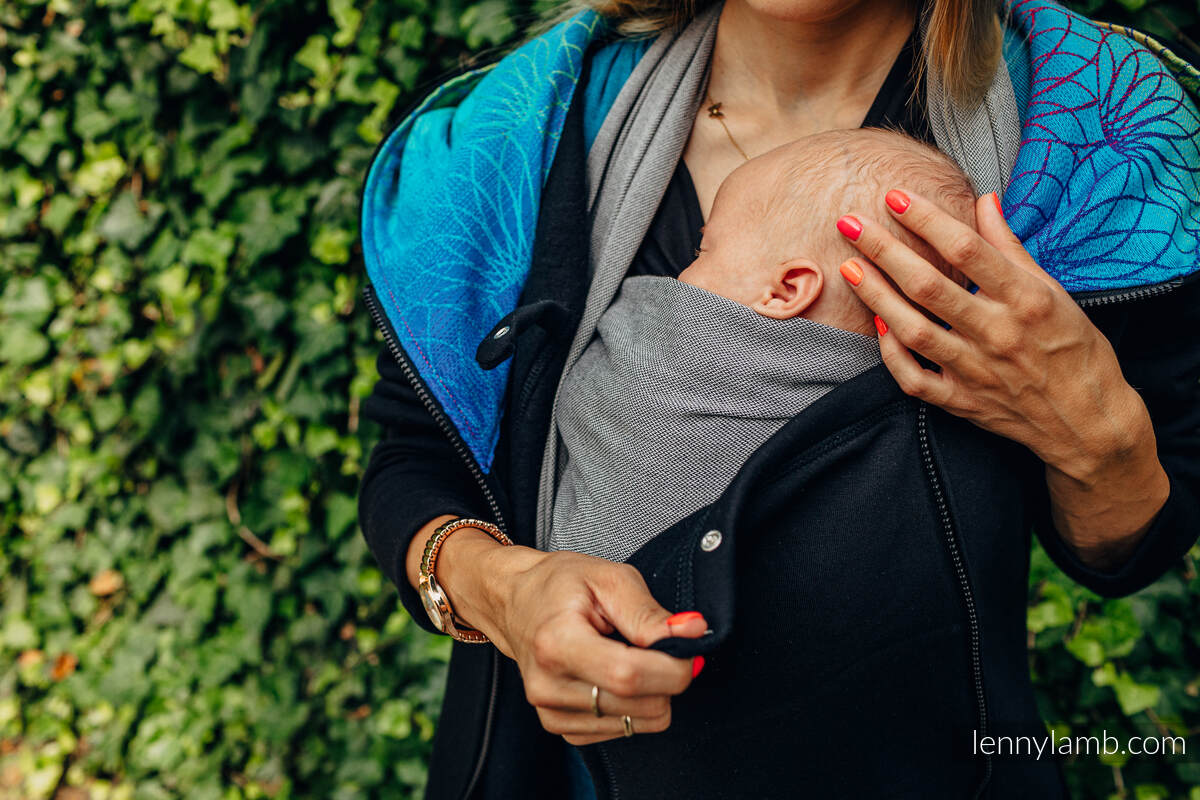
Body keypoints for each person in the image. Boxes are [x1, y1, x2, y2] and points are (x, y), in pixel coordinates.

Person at [356, 0, 1200, 796]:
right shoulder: (526, 131)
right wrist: (500, 589)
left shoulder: (1087, 133)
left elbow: (1131, 544)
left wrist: (1098, 436)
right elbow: (414, 459)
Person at [551, 127, 975, 563]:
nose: (681, 275)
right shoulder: (909, 412)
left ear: (787, 290)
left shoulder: (677, 354)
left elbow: (574, 393)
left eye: (703, 251)